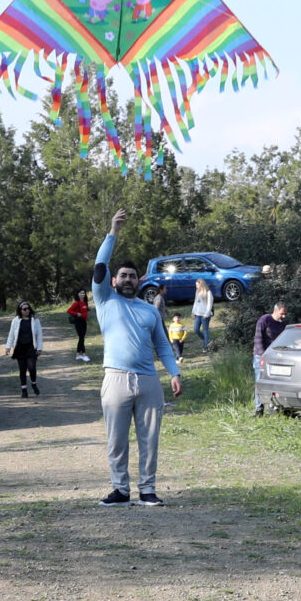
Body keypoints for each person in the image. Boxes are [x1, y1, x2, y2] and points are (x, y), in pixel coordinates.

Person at [92, 209, 182, 506]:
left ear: (138, 281)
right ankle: (120, 489)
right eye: (123, 276)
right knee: (117, 440)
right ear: (114, 281)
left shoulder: (149, 311)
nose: (128, 279)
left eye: (132, 276)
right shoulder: (105, 300)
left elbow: (164, 346)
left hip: (148, 381)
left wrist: (174, 373)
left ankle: (147, 490)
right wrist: (113, 232)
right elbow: (100, 266)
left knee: (150, 440)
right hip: (116, 378)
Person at [250, 300, 289, 415]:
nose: (284, 316)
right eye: (282, 313)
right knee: (259, 382)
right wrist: (263, 356)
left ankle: (273, 408)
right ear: (275, 311)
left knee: (275, 383)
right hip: (260, 357)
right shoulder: (265, 320)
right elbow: (258, 339)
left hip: (275, 357)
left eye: (285, 314)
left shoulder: (282, 324)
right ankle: (259, 409)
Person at [5, 302, 44, 397]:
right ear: (20, 311)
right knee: (22, 370)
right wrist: (8, 347)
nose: (27, 310)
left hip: (31, 348)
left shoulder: (35, 320)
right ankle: (24, 390)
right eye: (24, 309)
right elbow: (11, 335)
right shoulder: (15, 320)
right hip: (20, 348)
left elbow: (39, 335)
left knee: (32, 368)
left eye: (28, 308)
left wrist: (39, 348)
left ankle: (33, 383)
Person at [66, 291, 91, 362]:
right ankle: (84, 354)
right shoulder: (76, 303)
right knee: (81, 337)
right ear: (78, 294)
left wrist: (86, 317)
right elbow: (69, 310)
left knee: (82, 338)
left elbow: (85, 311)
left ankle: (78, 355)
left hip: (84, 322)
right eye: (81, 293)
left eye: (83, 293)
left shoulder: (85, 302)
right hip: (78, 322)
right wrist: (77, 313)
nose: (82, 294)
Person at [190, 279, 214, 353]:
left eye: (197, 284)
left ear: (201, 284)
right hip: (198, 314)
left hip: (205, 315)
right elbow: (195, 303)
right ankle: (207, 340)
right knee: (196, 329)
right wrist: (193, 312)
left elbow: (210, 304)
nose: (196, 286)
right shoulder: (197, 292)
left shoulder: (208, 292)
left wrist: (206, 314)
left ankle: (206, 346)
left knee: (205, 330)